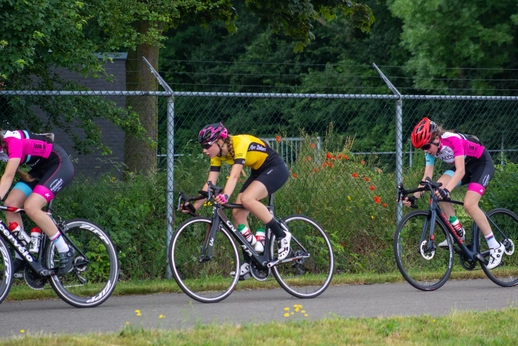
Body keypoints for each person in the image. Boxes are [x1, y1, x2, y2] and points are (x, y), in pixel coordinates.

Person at [181, 122, 291, 279]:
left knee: (247, 199)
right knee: (237, 213)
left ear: (220, 141)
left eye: (207, 146)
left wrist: (225, 195)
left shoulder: (239, 143)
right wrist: (194, 206)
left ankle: (281, 235)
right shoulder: (217, 155)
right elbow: (209, 185)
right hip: (258, 171)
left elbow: (234, 176)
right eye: (202, 146)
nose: (204, 150)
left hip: (275, 168)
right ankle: (251, 260)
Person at [404, 117, 503, 269]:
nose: (425, 150)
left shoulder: (453, 140)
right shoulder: (430, 149)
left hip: (481, 164)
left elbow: (460, 171)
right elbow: (427, 178)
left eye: (426, 146)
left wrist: (447, 190)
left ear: (436, 138)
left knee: (469, 204)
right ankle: (457, 228)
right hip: (463, 167)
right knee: (436, 188)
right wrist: (414, 196)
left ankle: (495, 246)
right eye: (422, 148)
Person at [0, 130, 75, 276]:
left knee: (31, 207)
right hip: (39, 169)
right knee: (10, 205)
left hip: (58, 164)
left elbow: (8, 177)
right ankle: (21, 256)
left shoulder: (12, 142)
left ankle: (65, 250)